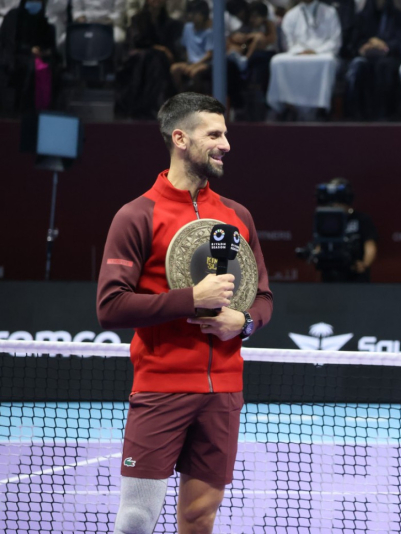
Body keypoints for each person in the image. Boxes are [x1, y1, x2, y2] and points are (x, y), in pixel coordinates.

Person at [96, 92, 273, 534]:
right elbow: (110, 306)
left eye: (225, 133)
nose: (225, 144)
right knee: (136, 520)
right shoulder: (137, 215)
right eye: (213, 134)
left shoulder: (238, 216)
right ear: (180, 138)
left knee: (199, 518)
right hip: (161, 387)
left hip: (224, 392)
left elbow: (263, 298)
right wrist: (191, 298)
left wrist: (244, 323)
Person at [266, 0, 341, 120]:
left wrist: (316, 51)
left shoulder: (330, 12)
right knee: (276, 61)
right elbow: (288, 43)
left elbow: (335, 40)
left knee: (328, 62)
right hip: (298, 52)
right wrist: (301, 51)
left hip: (322, 53)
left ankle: (319, 108)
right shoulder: (291, 15)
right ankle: (287, 105)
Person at [116, 0, 183, 119]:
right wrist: (159, 48)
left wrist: (161, 50)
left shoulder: (168, 22)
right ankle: (147, 106)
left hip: (158, 60)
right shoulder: (138, 19)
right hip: (138, 58)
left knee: (156, 61)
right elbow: (137, 42)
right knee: (150, 59)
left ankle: (156, 105)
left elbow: (170, 47)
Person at [345, 0, 401, 120]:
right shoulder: (361, 16)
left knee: (384, 67)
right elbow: (353, 43)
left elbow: (400, 41)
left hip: (389, 56)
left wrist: (385, 46)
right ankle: (357, 115)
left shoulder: (396, 15)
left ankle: (384, 114)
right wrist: (365, 46)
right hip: (366, 57)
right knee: (358, 66)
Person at [318, 178, 378, 282]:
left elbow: (370, 245)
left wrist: (364, 264)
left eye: (339, 202)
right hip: (330, 276)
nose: (335, 205)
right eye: (333, 202)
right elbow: (319, 244)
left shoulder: (361, 219)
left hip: (356, 276)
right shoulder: (325, 220)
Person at [170, 0, 213, 94]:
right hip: (190, 62)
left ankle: (197, 97)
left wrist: (195, 65)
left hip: (204, 63)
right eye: (192, 13)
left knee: (194, 73)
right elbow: (186, 47)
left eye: (197, 13)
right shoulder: (187, 28)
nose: (193, 16)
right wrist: (188, 63)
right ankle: (181, 95)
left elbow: (209, 54)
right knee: (174, 68)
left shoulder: (209, 32)